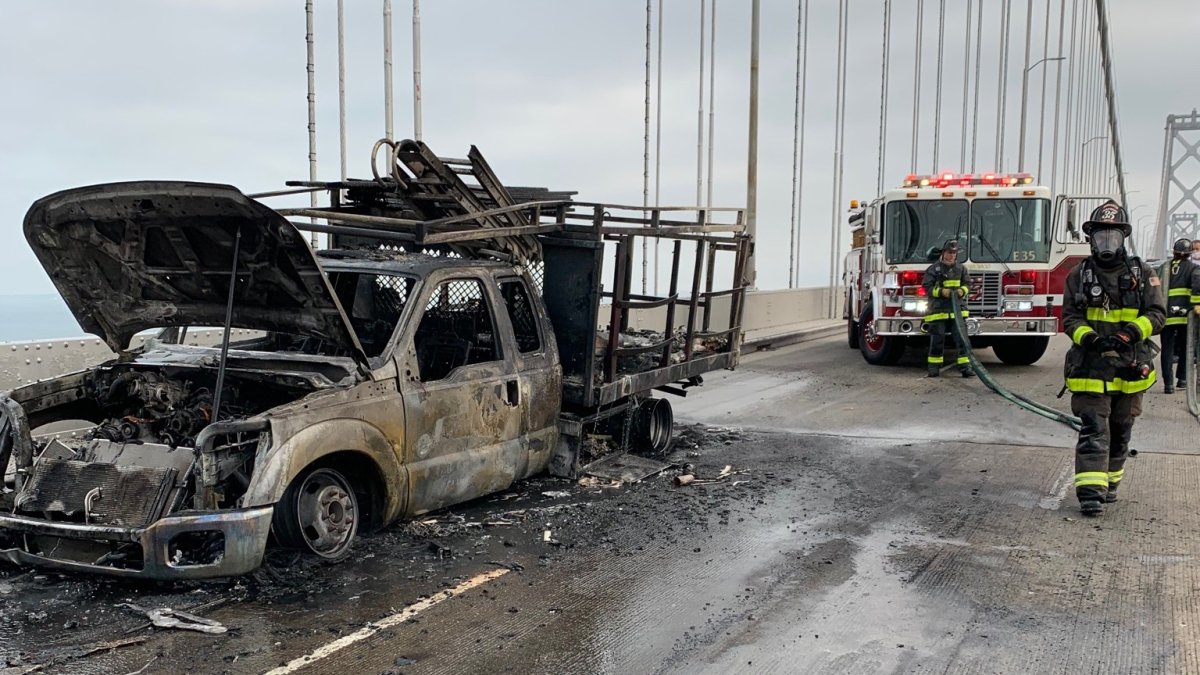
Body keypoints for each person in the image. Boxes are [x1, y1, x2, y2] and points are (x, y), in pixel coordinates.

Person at [1062, 200, 1165, 516]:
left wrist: (1129, 334)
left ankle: (1110, 484)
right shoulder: (1078, 275)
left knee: (1121, 430)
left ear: (1123, 238)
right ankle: (1090, 494)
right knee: (1094, 429)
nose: (1106, 242)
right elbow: (1070, 318)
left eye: (1113, 236)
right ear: (1091, 239)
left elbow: (1157, 314)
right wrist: (1089, 338)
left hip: (1129, 368)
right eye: (1101, 236)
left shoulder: (1143, 273)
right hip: (1090, 367)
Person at [922, 239, 975, 378]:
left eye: (954, 253)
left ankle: (965, 368)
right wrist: (940, 292)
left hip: (957, 312)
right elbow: (927, 287)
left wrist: (962, 291)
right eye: (949, 252)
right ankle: (934, 368)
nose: (952, 255)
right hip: (939, 312)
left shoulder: (961, 269)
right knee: (937, 341)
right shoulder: (933, 269)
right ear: (943, 253)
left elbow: (968, 284)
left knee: (962, 340)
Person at [1158, 238, 1200, 393]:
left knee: (1167, 349)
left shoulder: (1163, 268)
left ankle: (1168, 384)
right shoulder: (1193, 268)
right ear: (1189, 254)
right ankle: (1182, 380)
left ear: (1174, 252)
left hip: (1166, 315)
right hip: (1185, 316)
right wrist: (1196, 306)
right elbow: (1197, 289)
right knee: (1186, 348)